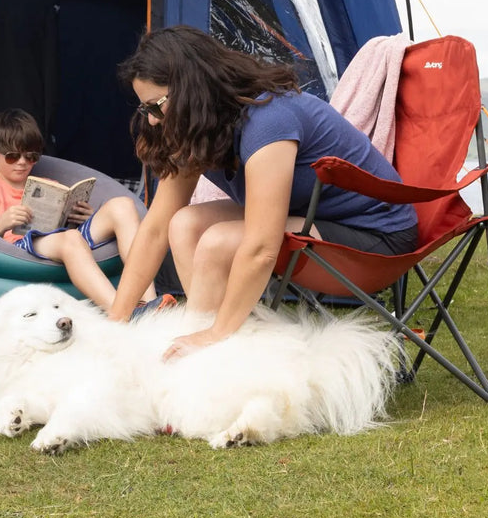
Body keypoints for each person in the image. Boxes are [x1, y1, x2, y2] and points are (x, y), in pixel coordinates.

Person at [107, 25, 418, 357]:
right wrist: (115, 322)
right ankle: (216, 341)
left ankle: (212, 344)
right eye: (145, 110)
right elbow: (155, 228)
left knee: (217, 242)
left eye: (156, 106)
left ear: (190, 90)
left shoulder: (269, 120)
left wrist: (216, 332)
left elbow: (261, 247)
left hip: (375, 240)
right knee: (183, 224)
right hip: (309, 220)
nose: (153, 121)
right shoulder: (197, 128)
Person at [0, 109, 156, 310]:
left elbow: (64, 228)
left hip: (60, 237)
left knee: (123, 206)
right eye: (13, 157)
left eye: (30, 156)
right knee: (71, 239)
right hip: (19, 246)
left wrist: (83, 217)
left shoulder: (47, 184)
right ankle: (120, 312)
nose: (22, 162)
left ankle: (151, 302)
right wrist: (0, 225)